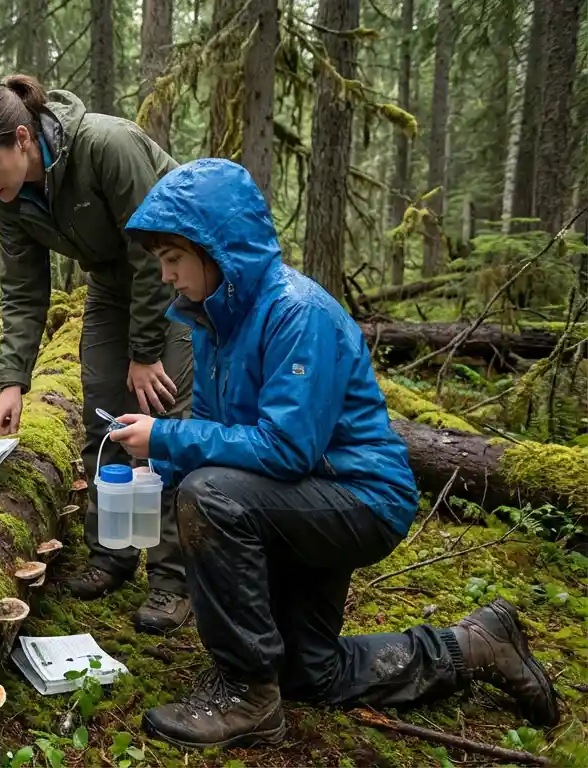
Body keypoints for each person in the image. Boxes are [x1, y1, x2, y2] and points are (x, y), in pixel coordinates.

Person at [108, 158, 560, 749]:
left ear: (216, 249)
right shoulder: (216, 321)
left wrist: (167, 438)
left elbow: (285, 447)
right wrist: (156, 460)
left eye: (173, 260)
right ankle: (475, 644)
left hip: (359, 499)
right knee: (309, 673)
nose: (166, 277)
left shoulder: (298, 313)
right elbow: (223, 430)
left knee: (209, 496)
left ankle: (246, 694)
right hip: (296, 501)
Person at [0, 73, 193, 630]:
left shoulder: (107, 146)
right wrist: (13, 382)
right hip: (110, 282)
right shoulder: (9, 202)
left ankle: (174, 580)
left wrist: (146, 352)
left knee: (165, 420)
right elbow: (24, 291)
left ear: (21, 138)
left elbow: (154, 252)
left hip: (180, 276)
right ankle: (113, 555)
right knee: (103, 414)